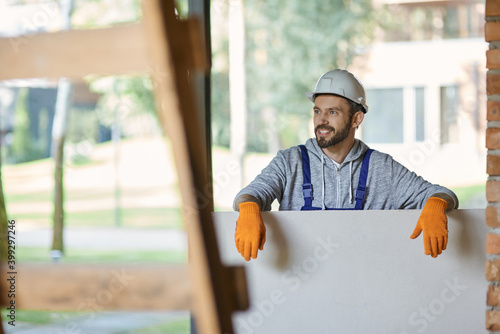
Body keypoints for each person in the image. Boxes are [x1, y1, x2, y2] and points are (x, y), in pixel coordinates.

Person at [233, 69, 459, 261]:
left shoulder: (381, 168)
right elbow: (250, 194)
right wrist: (250, 207)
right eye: (317, 111)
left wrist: (437, 203)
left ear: (356, 119)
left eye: (332, 112)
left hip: (363, 289)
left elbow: (441, 193)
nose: (321, 120)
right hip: (300, 290)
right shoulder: (289, 162)